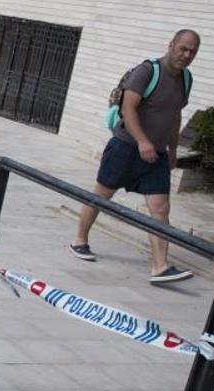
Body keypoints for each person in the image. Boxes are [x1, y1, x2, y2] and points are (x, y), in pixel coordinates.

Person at [70, 29, 200, 284]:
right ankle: (79, 240)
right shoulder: (147, 71)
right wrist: (142, 141)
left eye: (192, 51)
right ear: (171, 44)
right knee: (101, 197)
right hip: (125, 147)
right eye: (183, 48)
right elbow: (128, 108)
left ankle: (160, 266)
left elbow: (175, 116)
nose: (187, 55)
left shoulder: (186, 79)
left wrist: (173, 151)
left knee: (160, 209)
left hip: (157, 154)